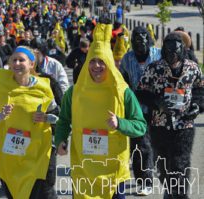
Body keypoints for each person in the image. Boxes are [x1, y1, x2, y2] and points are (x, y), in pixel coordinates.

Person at [55, 23, 146, 199]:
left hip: (113, 169)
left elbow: (140, 126)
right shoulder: (74, 92)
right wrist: (60, 140)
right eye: (93, 61)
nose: (96, 66)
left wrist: (120, 123)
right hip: (83, 167)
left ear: (110, 64)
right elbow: (64, 120)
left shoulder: (122, 92)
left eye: (101, 61)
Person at [0, 46, 58, 198]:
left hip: (38, 157)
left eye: (22, 60)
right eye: (14, 60)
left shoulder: (44, 86)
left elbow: (58, 117)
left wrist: (46, 118)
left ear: (31, 64)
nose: (17, 63)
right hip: (11, 159)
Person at [136, 32, 204, 199]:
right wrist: (156, 102)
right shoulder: (154, 68)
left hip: (184, 125)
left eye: (176, 51)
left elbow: (201, 90)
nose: (172, 55)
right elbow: (140, 92)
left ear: (182, 51)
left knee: (181, 163)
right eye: (169, 51)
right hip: (160, 125)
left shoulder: (193, 68)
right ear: (163, 50)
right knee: (163, 164)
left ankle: (179, 195)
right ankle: (169, 189)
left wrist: (197, 106)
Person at [119, 26, 161, 195]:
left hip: (158, 108)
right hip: (136, 110)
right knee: (141, 146)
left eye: (144, 39)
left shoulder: (158, 55)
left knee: (155, 146)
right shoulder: (126, 59)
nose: (141, 43)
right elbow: (122, 83)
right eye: (137, 39)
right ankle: (145, 181)